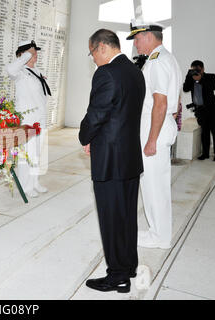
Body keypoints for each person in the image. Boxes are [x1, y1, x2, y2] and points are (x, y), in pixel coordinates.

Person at [79, 29, 146, 293]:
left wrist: (85, 137)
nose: (93, 59)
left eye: (92, 53)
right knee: (127, 216)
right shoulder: (134, 71)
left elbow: (97, 114)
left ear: (102, 48)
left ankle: (117, 276)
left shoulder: (106, 73)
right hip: (129, 157)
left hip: (110, 160)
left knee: (111, 218)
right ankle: (128, 265)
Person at [127, 19, 182, 249]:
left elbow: (160, 103)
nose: (136, 44)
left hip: (155, 129)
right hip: (158, 126)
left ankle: (159, 236)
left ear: (149, 36)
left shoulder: (158, 62)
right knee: (153, 183)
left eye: (138, 39)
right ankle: (158, 231)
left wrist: (151, 140)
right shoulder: (166, 58)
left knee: (153, 185)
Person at [6, 40, 50, 198]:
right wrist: (26, 55)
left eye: (35, 52)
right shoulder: (20, 72)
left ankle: (34, 182)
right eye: (32, 53)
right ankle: (25, 186)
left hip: (40, 118)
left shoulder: (36, 71)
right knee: (27, 154)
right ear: (22, 55)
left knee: (37, 152)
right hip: (27, 120)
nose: (35, 55)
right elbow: (10, 69)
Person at [183, 60, 215, 161]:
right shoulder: (191, 78)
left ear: (203, 69)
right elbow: (185, 88)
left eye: (198, 69)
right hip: (200, 110)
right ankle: (205, 154)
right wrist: (188, 75)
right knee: (204, 132)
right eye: (193, 69)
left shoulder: (210, 76)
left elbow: (214, 87)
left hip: (212, 109)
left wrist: (200, 79)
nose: (196, 71)